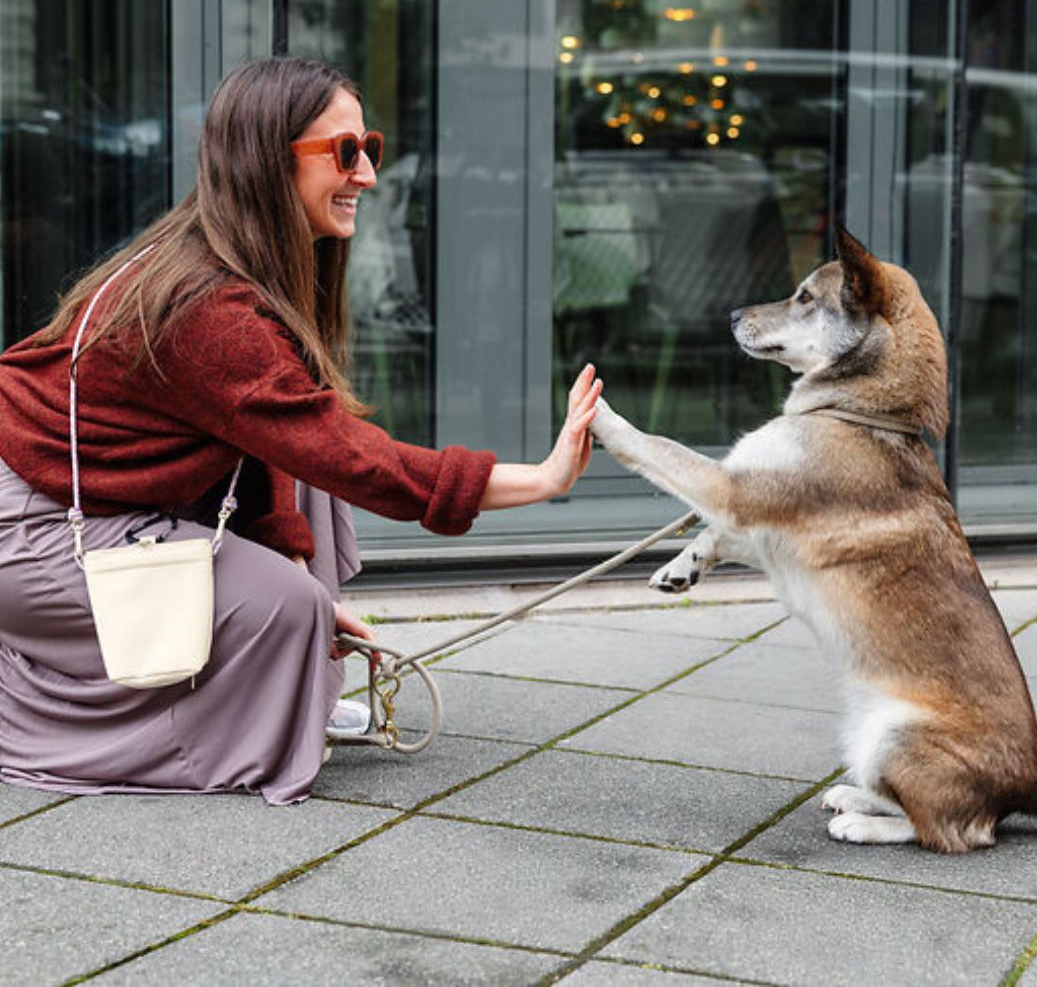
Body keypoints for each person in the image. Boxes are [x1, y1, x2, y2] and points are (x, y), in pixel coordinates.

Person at [0, 56, 600, 806]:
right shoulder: (207, 307)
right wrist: (541, 480)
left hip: (101, 502)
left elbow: (283, 442)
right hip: (34, 536)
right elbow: (351, 456)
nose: (368, 175)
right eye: (344, 152)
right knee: (290, 602)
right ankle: (168, 721)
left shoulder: (231, 263)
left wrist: (287, 562)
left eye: (369, 148)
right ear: (266, 160)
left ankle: (292, 679)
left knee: (309, 516)